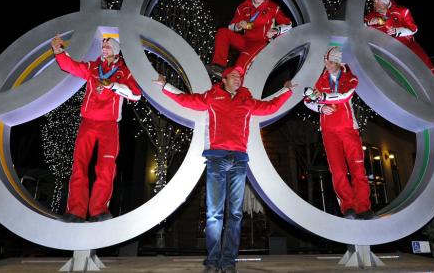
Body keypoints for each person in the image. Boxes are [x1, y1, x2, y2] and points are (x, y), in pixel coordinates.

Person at [154, 66, 295, 273]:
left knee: (235, 214)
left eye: (240, 77)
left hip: (239, 160)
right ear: (225, 78)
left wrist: (286, 91)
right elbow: (186, 99)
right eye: (235, 76)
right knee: (214, 213)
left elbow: (270, 107)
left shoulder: (247, 100)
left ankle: (228, 261)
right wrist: (165, 86)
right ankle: (212, 261)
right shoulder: (212, 96)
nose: (239, 79)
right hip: (216, 159)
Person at [51, 35, 141, 222]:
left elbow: (136, 95)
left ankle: (99, 211)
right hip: (88, 122)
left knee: (106, 168)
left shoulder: (124, 72)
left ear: (116, 49)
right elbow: (70, 66)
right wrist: (59, 52)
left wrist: (114, 86)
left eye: (108, 45)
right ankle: (75, 211)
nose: (104, 47)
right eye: (103, 45)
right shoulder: (93, 67)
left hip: (109, 125)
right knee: (79, 166)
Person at [303, 46, 373, 220]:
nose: (327, 65)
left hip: (349, 129)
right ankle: (348, 207)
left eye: (331, 61)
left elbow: (345, 96)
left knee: (358, 170)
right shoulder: (321, 81)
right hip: (328, 132)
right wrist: (320, 107)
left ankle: (363, 207)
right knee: (338, 171)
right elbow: (307, 100)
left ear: (338, 62)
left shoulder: (350, 78)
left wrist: (323, 98)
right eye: (325, 61)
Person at [365, 0, 434, 108]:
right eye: (374, 2)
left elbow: (413, 28)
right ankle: (419, 106)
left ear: (385, 1)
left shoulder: (401, 11)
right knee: (400, 79)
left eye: (378, 2)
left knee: (429, 73)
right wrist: (368, 24)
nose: (375, 5)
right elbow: (359, 29)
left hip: (409, 48)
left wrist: (397, 31)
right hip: (389, 52)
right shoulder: (370, 16)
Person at [206, 0, 292, 77]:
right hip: (245, 40)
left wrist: (276, 30)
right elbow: (231, 26)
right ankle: (219, 66)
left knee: (239, 67)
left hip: (261, 42)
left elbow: (288, 24)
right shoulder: (243, 7)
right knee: (222, 32)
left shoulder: (272, 7)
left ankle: (239, 90)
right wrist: (238, 25)